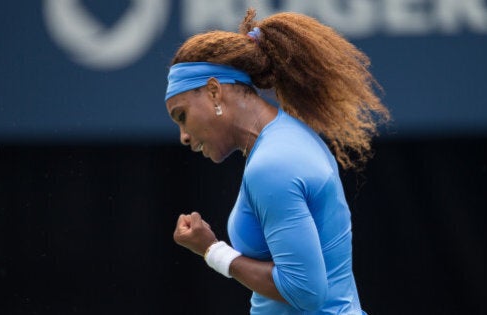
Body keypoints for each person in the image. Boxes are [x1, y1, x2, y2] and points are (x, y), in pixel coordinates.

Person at [166, 8, 390, 314]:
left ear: (215, 92)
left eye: (182, 116)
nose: (184, 136)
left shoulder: (272, 165)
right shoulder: (286, 138)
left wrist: (211, 250)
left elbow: (305, 291)